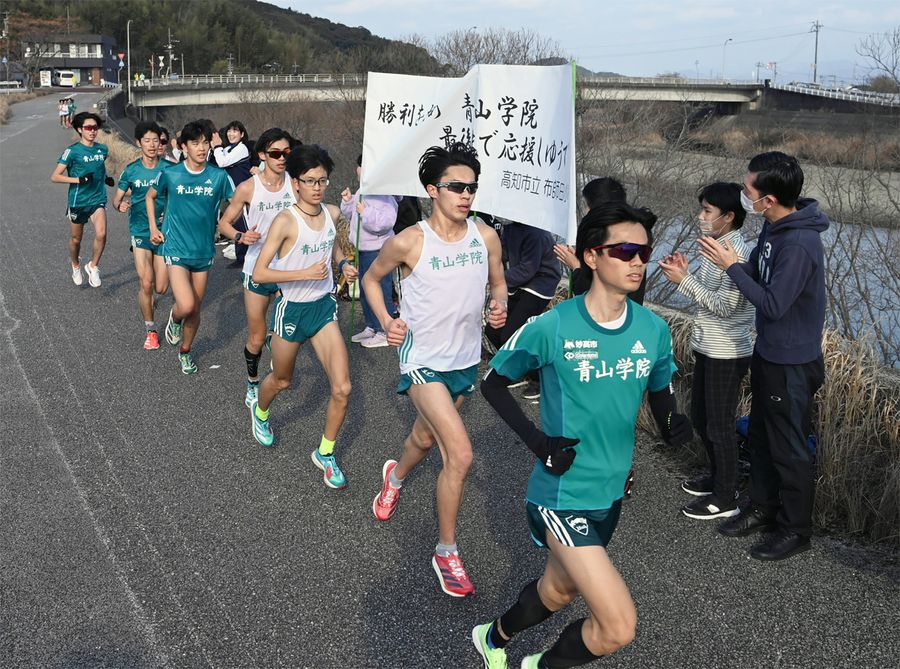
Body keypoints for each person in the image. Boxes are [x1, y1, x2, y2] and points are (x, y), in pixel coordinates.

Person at [473, 202, 693, 669]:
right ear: (591, 257)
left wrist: (673, 421)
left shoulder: (654, 330)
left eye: (644, 252)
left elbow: (660, 391)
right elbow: (493, 381)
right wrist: (537, 442)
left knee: (559, 589)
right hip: (561, 492)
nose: (638, 261)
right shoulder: (554, 325)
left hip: (611, 491)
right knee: (617, 626)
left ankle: (492, 636)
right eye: (625, 250)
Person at [364, 143, 508, 597]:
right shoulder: (410, 241)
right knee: (459, 454)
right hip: (421, 358)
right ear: (433, 190)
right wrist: (388, 320)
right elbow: (371, 278)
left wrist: (499, 304)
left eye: (472, 188)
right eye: (457, 187)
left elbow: (499, 281)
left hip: (465, 360)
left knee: (426, 438)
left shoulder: (484, 237)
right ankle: (446, 551)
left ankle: (395, 476)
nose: (467, 195)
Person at [699, 151, 828, 561]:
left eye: (748, 190)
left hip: (792, 361)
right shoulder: (773, 231)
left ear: (768, 200)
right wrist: (734, 265)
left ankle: (794, 529)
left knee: (789, 447)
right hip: (768, 352)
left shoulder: (801, 243)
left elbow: (772, 305)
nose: (744, 195)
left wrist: (731, 266)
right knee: (759, 435)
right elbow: (757, 274)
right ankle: (760, 507)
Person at [249, 144, 359, 489]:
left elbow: (331, 243)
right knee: (282, 380)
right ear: (295, 183)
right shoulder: (285, 221)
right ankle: (261, 412)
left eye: (322, 180)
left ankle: (325, 453)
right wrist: (301, 274)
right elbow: (260, 275)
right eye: (310, 181)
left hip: (323, 308)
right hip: (292, 310)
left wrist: (342, 263)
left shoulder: (332, 213)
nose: (317, 187)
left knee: (343, 388)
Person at [658, 182, 754, 519]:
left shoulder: (737, 254)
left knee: (720, 424)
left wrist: (683, 280)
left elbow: (726, 306)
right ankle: (718, 477)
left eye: (707, 211)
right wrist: (685, 272)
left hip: (727, 351)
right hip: (709, 345)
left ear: (729, 217)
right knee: (702, 416)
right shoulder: (716, 247)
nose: (701, 217)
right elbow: (707, 295)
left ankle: (726, 497)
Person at [146, 120, 234, 374]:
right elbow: (150, 197)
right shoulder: (172, 174)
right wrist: (154, 228)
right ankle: (174, 320)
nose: (202, 147)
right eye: (195, 143)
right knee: (185, 305)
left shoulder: (218, 176)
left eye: (205, 142)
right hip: (175, 247)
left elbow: (237, 202)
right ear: (183, 147)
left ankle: (185, 350)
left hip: (204, 251)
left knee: (195, 308)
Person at [217, 127, 296, 407]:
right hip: (258, 267)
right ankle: (252, 383)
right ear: (262, 155)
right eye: (275, 153)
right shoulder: (249, 187)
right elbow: (224, 223)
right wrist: (240, 236)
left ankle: (280, 364)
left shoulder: (296, 183)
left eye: (287, 152)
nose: (282, 158)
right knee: (257, 336)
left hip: (290, 267)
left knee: (288, 328)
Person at [484, 218, 562, 400]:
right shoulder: (510, 227)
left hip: (540, 286)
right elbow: (501, 254)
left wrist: (495, 279)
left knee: (511, 335)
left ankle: (539, 378)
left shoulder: (536, 232)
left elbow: (528, 270)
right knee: (492, 330)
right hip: (519, 284)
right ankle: (520, 369)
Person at [113, 121, 173, 349]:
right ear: (138, 143)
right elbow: (116, 200)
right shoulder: (131, 170)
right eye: (146, 140)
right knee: (146, 283)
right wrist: (119, 205)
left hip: (164, 232)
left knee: (161, 288)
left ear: (160, 143)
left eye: (155, 140)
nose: (151, 144)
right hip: (139, 231)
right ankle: (151, 330)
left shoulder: (169, 168)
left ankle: (151, 300)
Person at [50, 111, 115, 288]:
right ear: (80, 129)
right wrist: (78, 180)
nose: (93, 131)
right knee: (76, 240)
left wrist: (106, 178)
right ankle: (75, 264)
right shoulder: (72, 152)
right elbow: (55, 176)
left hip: (97, 199)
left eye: (95, 127)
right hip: (78, 201)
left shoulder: (102, 149)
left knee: (101, 233)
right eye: (88, 128)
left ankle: (93, 266)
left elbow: (98, 168)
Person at [341, 154, 398, 348]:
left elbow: (386, 222)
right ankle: (372, 326)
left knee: (380, 288)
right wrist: (349, 202)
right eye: (360, 166)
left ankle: (385, 329)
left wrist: (364, 211)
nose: (361, 171)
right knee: (366, 289)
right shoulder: (362, 191)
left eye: (366, 167)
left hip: (379, 249)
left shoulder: (384, 194)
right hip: (364, 248)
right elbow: (351, 215)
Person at [213, 120, 255, 264]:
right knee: (236, 223)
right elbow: (217, 161)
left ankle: (245, 257)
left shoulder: (241, 148)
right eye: (229, 131)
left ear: (242, 134)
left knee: (243, 222)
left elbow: (222, 162)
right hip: (232, 192)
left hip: (243, 191)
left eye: (235, 131)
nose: (231, 134)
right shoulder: (227, 149)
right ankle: (241, 256)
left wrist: (217, 146)